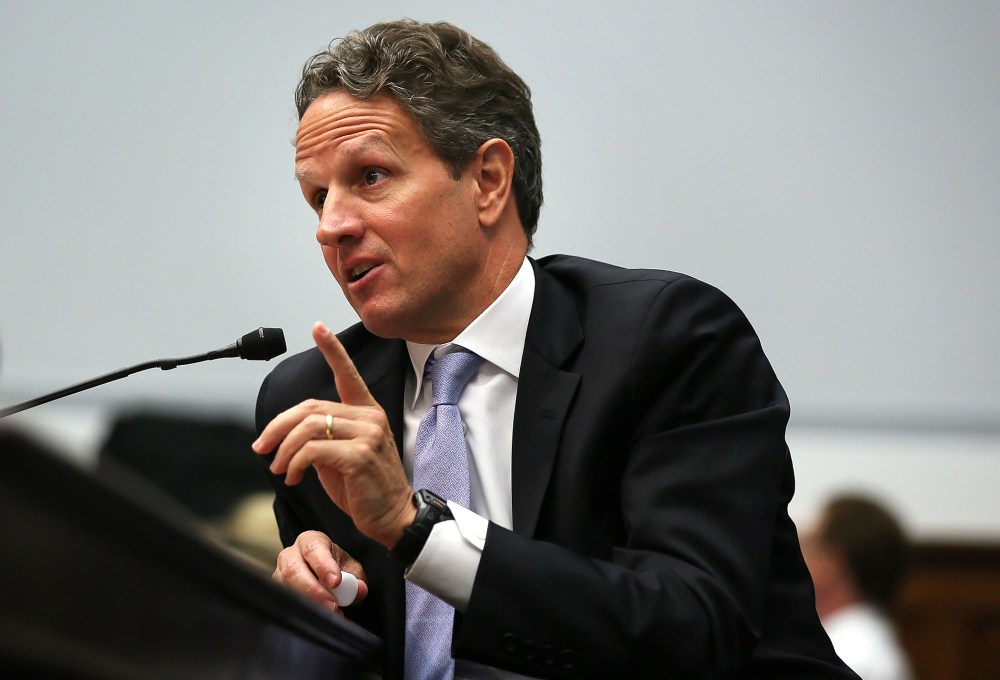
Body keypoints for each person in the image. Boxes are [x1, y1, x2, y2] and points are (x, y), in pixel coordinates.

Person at [252, 19, 858, 679]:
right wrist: (311, 609)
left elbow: (694, 631)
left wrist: (418, 529)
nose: (331, 226)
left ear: (487, 180)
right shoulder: (317, 397)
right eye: (317, 197)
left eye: (369, 176)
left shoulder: (668, 343)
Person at [802, 494, 914, 680]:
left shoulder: (846, 655)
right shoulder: (849, 643)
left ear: (832, 564)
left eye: (809, 544)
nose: (799, 553)